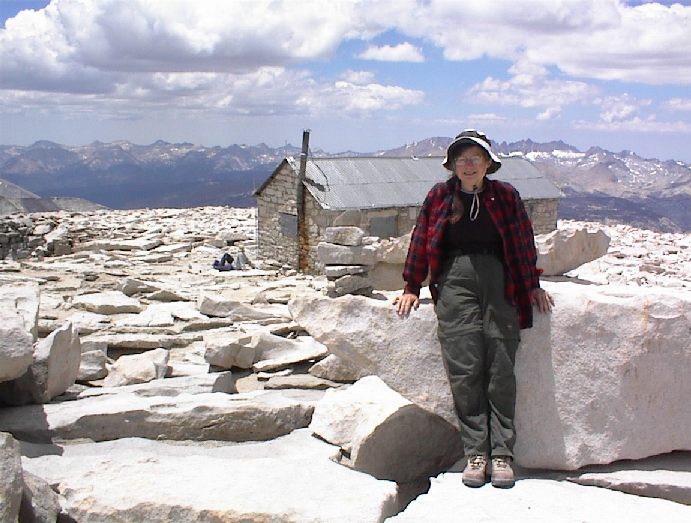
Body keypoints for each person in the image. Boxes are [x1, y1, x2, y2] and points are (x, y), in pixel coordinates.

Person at [394, 129, 553, 489]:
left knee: (501, 364)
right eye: (462, 159)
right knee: (464, 364)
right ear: (452, 165)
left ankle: (501, 454)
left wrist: (532, 285)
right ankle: (475, 453)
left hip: (501, 278)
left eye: (475, 159)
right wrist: (411, 285)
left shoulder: (505, 196)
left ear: (487, 164)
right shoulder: (440, 196)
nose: (469, 165)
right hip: (455, 278)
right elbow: (422, 238)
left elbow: (522, 241)